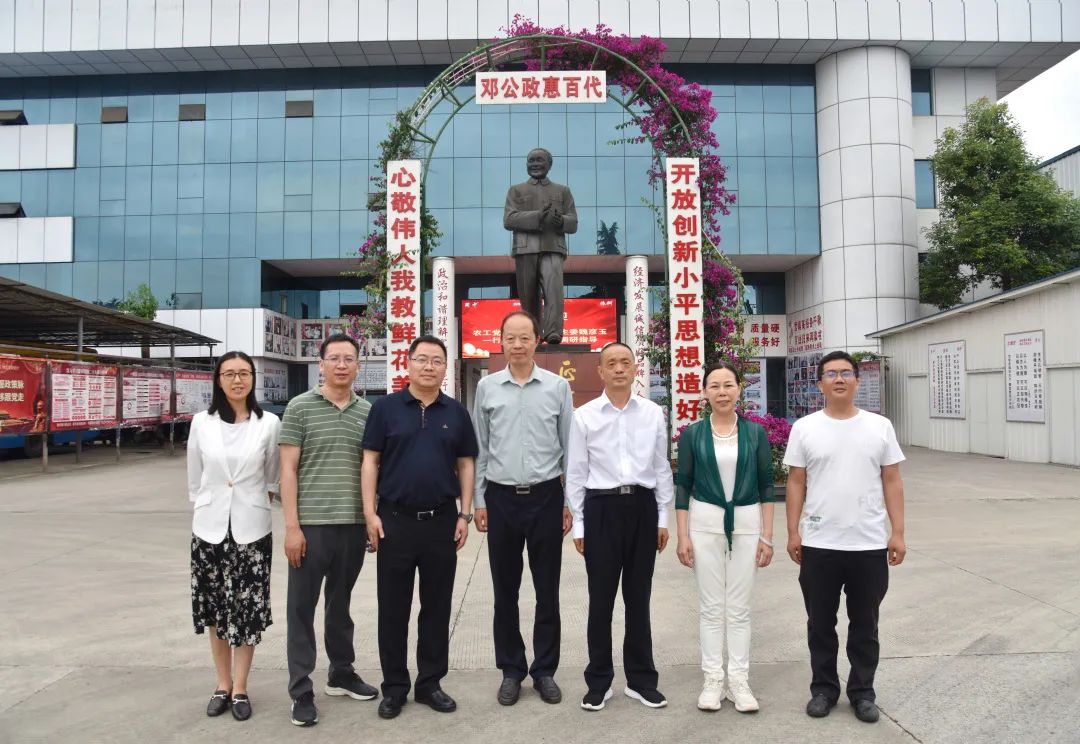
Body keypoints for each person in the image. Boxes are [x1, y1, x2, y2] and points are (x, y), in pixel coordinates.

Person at [783, 350, 907, 724]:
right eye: (831, 374)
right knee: (820, 624)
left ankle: (862, 693)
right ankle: (823, 690)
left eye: (846, 373)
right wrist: (793, 531)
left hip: (868, 544)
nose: (839, 379)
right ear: (820, 383)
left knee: (865, 626)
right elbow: (796, 481)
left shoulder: (879, 426)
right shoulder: (805, 428)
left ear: (856, 380)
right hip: (819, 544)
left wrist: (898, 532)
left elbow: (892, 480)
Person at [362, 335, 479, 720]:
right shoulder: (385, 409)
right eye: (422, 359)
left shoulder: (456, 413)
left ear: (445, 367)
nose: (429, 366)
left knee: (437, 607)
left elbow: (466, 463)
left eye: (437, 360)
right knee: (393, 610)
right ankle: (394, 688)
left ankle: (430, 683)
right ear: (408, 363)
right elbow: (370, 462)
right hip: (393, 522)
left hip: (441, 522)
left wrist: (464, 514)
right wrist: (370, 514)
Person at [472, 311, 574, 706]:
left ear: (536, 341)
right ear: (501, 341)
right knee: (505, 591)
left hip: (546, 497)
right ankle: (511, 670)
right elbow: (481, 448)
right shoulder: (487, 388)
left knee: (547, 590)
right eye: (510, 338)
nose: (517, 345)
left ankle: (544, 670)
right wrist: (480, 500)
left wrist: (568, 502)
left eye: (524, 338)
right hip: (501, 500)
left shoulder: (557, 387)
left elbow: (570, 450)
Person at [565, 342, 674, 712]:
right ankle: (598, 682)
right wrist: (580, 525)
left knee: (638, 598)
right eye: (611, 363)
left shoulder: (653, 413)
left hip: (643, 507)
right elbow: (576, 472)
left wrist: (662, 518)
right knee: (601, 600)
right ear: (600, 371)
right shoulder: (585, 416)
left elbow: (661, 467)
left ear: (635, 368)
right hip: (601, 509)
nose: (618, 369)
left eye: (625, 362)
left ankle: (641, 681)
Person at [279, 333, 376, 727]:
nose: (341, 365)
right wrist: (292, 527)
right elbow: (287, 470)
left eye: (348, 358)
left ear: (358, 366)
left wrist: (370, 518)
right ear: (320, 364)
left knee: (340, 605)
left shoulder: (367, 412)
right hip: (311, 527)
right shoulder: (299, 407)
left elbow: (372, 469)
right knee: (301, 609)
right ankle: (301, 690)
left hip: (352, 526)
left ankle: (341, 673)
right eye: (334, 358)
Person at [674, 362, 777, 713]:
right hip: (704, 526)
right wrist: (683, 536)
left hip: (747, 525)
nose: (722, 392)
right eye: (714, 386)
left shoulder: (755, 434)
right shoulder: (693, 434)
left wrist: (767, 537)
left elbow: (767, 486)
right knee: (711, 607)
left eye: (728, 385)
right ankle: (712, 680)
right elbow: (683, 486)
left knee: (739, 608)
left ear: (739, 389)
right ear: (704, 392)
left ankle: (739, 681)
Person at [187, 351, 281, 722]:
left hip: (251, 530)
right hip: (208, 530)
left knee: (246, 610)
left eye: (244, 373)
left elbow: (271, 477)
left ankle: (240, 687)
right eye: (229, 374)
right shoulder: (201, 422)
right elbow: (195, 476)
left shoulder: (268, 423)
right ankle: (222, 684)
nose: (237, 380)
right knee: (215, 609)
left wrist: (251, 504)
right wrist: (208, 506)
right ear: (218, 380)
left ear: (253, 379)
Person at [503, 147, 578, 344]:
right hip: (525, 248)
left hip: (552, 247)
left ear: (549, 164)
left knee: (554, 291)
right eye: (531, 160)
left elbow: (573, 223)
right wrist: (537, 216)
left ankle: (553, 332)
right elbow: (509, 220)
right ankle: (532, 333)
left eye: (539, 160)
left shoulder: (562, 191)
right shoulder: (516, 190)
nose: (535, 164)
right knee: (528, 296)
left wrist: (561, 221)